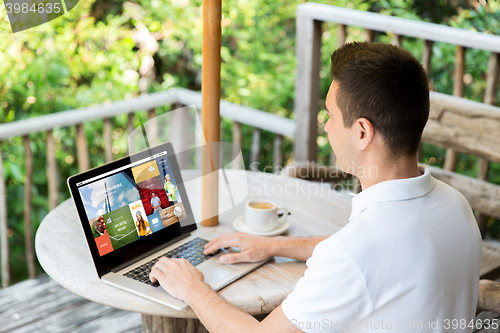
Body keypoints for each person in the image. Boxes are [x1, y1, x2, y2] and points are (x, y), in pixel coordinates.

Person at [149, 42, 481, 332]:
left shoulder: (356, 252)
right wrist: (274, 246)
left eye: (330, 115)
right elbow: (377, 256)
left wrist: (193, 288)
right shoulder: (454, 206)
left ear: (362, 132)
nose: (325, 126)